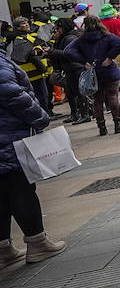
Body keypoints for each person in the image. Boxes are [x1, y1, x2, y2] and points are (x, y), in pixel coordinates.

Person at [0, 49, 66, 266]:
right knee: (20, 188)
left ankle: (4, 249)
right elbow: (11, 93)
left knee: (2, 192)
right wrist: (40, 116)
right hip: (7, 134)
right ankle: (37, 243)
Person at [70, 10, 120, 136]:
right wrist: (110, 57)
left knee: (97, 100)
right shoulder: (106, 36)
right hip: (109, 71)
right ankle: (118, 124)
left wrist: (84, 61)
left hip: (93, 73)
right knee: (113, 96)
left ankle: (102, 127)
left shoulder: (81, 39)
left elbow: (68, 51)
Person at [7, 17, 53, 114]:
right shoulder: (20, 39)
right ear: (18, 27)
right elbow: (29, 56)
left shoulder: (28, 37)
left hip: (37, 73)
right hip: (32, 74)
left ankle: (47, 113)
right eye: (23, 23)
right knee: (41, 96)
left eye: (27, 22)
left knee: (44, 95)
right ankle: (45, 114)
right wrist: (42, 66)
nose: (27, 24)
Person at [50, 18, 90, 124]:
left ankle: (84, 114)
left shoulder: (69, 38)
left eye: (58, 28)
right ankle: (75, 114)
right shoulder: (63, 38)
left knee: (79, 92)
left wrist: (52, 52)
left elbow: (68, 54)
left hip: (75, 68)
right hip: (69, 69)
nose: (56, 30)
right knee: (71, 93)